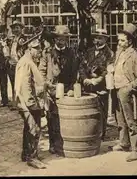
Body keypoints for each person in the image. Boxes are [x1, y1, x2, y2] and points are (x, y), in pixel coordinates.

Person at [108, 23, 137, 162]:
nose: (119, 43)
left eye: (122, 40)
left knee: (131, 121)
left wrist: (129, 88)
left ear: (130, 41)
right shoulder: (119, 52)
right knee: (120, 119)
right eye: (119, 40)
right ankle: (124, 143)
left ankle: (136, 149)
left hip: (128, 92)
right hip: (116, 89)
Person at [39, 25, 80, 156]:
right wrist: (46, 83)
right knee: (51, 119)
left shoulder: (72, 53)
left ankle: (65, 144)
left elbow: (75, 72)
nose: (60, 41)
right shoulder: (48, 53)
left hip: (67, 90)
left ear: (67, 40)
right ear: (54, 39)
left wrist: (73, 87)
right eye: (58, 38)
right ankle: (53, 144)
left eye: (63, 39)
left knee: (65, 117)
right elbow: (42, 70)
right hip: (52, 90)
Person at [15, 38, 47, 169]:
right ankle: (32, 158)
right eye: (37, 48)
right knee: (34, 129)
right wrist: (32, 104)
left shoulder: (28, 61)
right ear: (29, 49)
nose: (40, 51)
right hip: (27, 102)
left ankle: (25, 153)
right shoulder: (26, 62)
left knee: (28, 127)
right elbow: (25, 84)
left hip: (27, 101)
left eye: (40, 48)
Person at [79, 28, 114, 141]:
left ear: (105, 39)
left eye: (100, 38)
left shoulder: (109, 53)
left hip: (101, 86)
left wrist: (97, 80)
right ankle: (89, 132)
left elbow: (107, 70)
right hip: (87, 85)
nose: (97, 40)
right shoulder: (89, 51)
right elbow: (82, 66)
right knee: (88, 109)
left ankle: (101, 134)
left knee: (101, 109)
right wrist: (84, 79)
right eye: (95, 38)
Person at [8, 20, 27, 109]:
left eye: (17, 28)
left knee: (20, 84)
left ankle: (21, 103)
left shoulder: (23, 39)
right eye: (13, 28)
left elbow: (24, 53)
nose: (15, 30)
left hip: (20, 65)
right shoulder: (12, 40)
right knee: (13, 84)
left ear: (21, 29)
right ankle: (15, 102)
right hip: (12, 65)